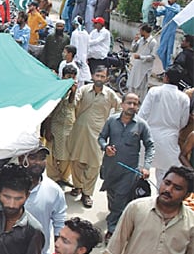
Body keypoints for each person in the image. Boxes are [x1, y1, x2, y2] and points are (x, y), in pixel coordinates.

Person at [98, 93, 155, 237]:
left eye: (135, 104)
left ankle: (112, 230)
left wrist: (146, 167)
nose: (132, 106)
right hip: (110, 167)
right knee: (112, 195)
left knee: (120, 198)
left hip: (129, 171)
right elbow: (101, 137)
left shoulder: (141, 125)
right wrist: (106, 147)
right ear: (122, 104)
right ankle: (116, 218)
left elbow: (150, 146)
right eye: (129, 103)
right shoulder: (112, 121)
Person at [68, 66, 120, 208]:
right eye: (97, 75)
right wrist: (72, 92)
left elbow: (120, 108)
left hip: (98, 134)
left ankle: (87, 193)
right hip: (79, 132)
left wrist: (113, 125)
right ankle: (77, 186)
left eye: (103, 77)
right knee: (76, 160)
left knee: (94, 164)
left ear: (107, 78)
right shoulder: (84, 90)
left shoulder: (110, 94)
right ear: (92, 75)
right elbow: (73, 103)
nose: (99, 79)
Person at [140, 68, 190, 183]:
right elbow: (183, 122)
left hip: (149, 135)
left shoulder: (154, 91)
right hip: (170, 139)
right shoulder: (183, 98)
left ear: (166, 77)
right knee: (165, 177)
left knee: (142, 171)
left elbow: (142, 115)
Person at [45, 64, 78, 187]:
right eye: (68, 76)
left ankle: (64, 177)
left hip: (68, 127)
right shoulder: (56, 90)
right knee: (51, 155)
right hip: (55, 126)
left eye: (73, 77)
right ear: (63, 77)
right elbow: (49, 111)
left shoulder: (75, 90)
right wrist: (47, 130)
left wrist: (73, 92)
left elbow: (71, 105)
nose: (71, 79)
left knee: (66, 155)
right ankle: (53, 178)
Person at [128, 24, 159, 100]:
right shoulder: (141, 40)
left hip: (145, 68)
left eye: (141, 30)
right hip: (136, 66)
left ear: (144, 31)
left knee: (142, 87)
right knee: (132, 84)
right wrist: (135, 41)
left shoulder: (153, 42)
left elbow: (153, 56)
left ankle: (141, 103)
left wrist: (141, 57)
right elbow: (133, 49)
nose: (140, 32)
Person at [154, 0, 182, 71]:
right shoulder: (167, 8)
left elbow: (176, 11)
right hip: (164, 31)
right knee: (161, 52)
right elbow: (158, 14)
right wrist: (154, 8)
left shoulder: (176, 7)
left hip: (170, 33)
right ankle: (166, 69)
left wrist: (165, 5)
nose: (169, 0)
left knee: (168, 53)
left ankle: (167, 70)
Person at [70, 17, 92, 82]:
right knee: (82, 78)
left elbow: (73, 46)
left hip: (76, 57)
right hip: (83, 57)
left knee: (76, 77)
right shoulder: (86, 33)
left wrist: (74, 56)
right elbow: (88, 46)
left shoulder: (75, 33)